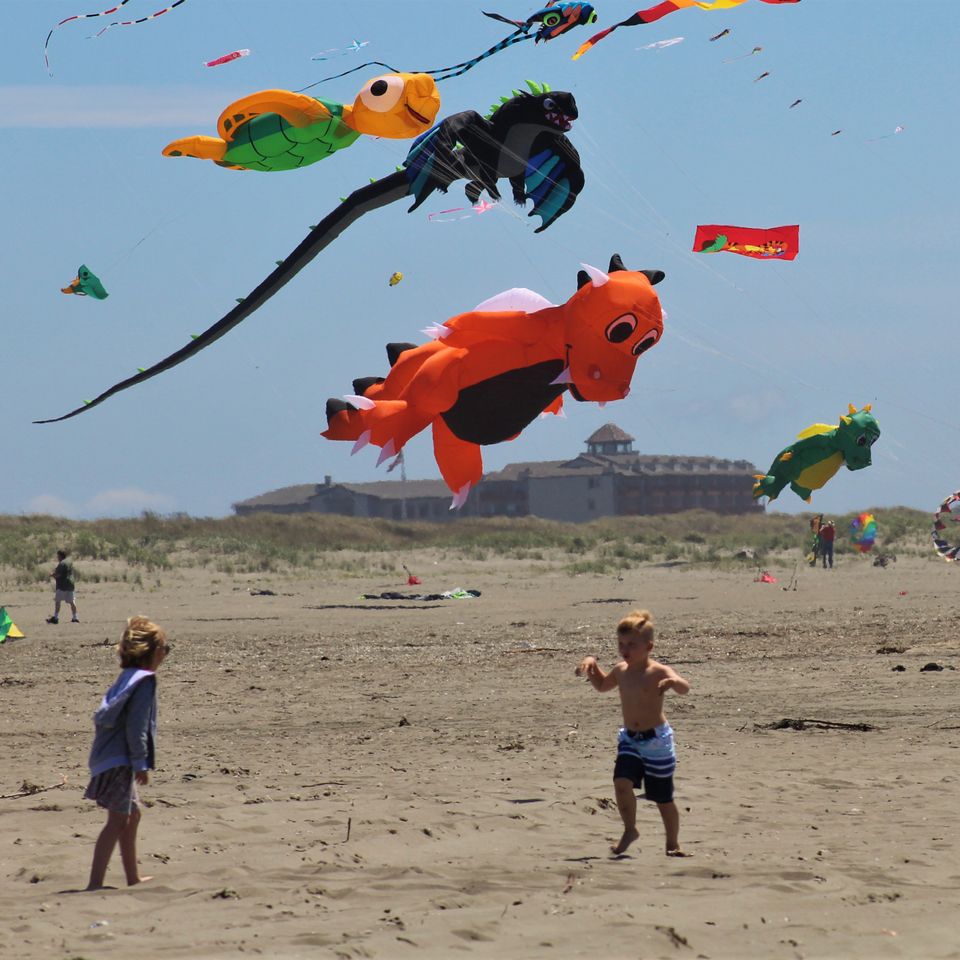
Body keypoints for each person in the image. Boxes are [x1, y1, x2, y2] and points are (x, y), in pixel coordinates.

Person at [576, 609, 691, 857]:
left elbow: (685, 688)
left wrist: (673, 683)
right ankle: (630, 829)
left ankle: (672, 843)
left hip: (656, 741)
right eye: (621, 644)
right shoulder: (621, 671)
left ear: (649, 646)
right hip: (629, 739)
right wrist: (592, 665)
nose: (625, 650)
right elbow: (602, 686)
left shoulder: (658, 671)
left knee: (662, 797)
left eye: (631, 645)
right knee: (621, 782)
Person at [83, 616, 171, 890]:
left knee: (132, 816)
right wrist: (140, 762)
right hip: (120, 758)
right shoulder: (145, 681)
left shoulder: (127, 676)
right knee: (118, 820)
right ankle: (94, 883)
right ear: (152, 652)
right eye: (164, 648)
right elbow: (136, 727)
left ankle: (133, 877)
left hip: (106, 755)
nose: (166, 654)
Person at [47, 549, 78, 624]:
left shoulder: (62, 564)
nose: (57, 557)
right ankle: (75, 617)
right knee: (72, 602)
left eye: (58, 556)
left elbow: (59, 575)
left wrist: (52, 575)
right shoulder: (69, 561)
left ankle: (56, 617)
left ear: (60, 556)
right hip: (70, 584)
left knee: (58, 601)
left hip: (62, 585)